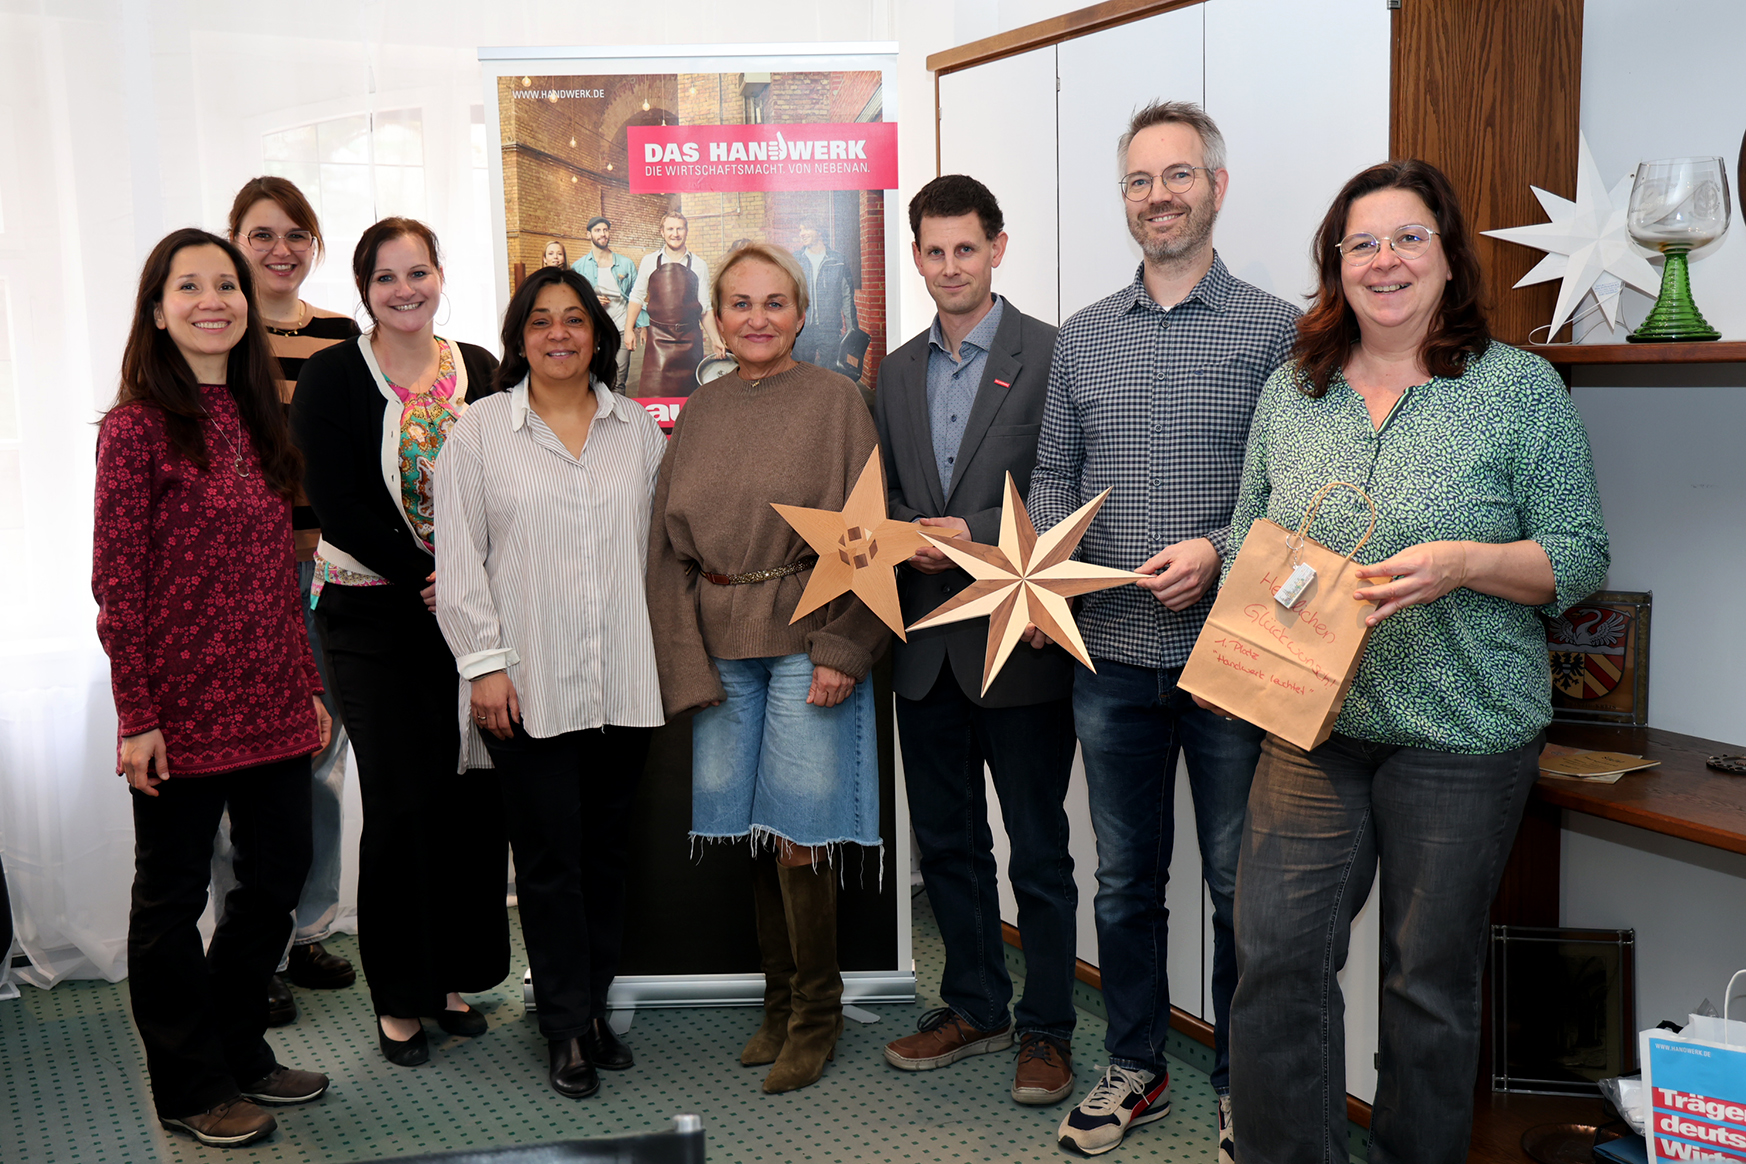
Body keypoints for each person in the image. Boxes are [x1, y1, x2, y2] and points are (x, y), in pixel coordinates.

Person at [1221, 159, 1608, 1164]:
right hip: (1312, 725)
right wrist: (1206, 559)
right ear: (1335, 265)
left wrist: (1467, 563)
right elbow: (1250, 539)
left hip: (1463, 731)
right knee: (1272, 962)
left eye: (1407, 239)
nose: (1384, 260)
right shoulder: (1290, 392)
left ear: (1447, 257)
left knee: (1425, 986)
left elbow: (1579, 555)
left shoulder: (1518, 389)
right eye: (1362, 243)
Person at [1027, 99, 1300, 1159]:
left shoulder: (1279, 329)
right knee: (1126, 880)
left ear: (1217, 188)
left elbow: (1298, 486)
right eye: (1141, 181)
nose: (1159, 196)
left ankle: (1244, 1081)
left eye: (1178, 175)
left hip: (1234, 665)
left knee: (1240, 885)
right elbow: (1054, 473)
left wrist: (1222, 551)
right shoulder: (1084, 336)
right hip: (1110, 660)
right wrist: (1047, 585)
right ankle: (1136, 1065)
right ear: (1126, 200)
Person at [95, 228, 333, 1147]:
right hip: (179, 711)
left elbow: (283, 572)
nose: (213, 301)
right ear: (158, 310)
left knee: (275, 879)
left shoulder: (259, 416)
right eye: (189, 287)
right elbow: (117, 581)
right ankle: (189, 1087)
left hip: (273, 695)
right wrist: (137, 716)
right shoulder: (135, 429)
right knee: (171, 900)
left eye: (225, 285)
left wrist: (307, 684)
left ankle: (241, 1052)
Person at [647, 242, 888, 1095]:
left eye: (774, 303)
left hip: (805, 639)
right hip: (720, 643)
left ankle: (815, 1019)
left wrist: (845, 647)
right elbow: (663, 550)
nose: (756, 318)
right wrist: (685, 660)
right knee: (752, 826)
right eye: (740, 304)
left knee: (798, 832)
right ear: (717, 316)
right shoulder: (701, 411)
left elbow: (868, 536)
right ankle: (779, 1004)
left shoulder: (837, 402)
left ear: (799, 312)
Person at [435, 266, 666, 1099]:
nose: (559, 334)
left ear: (598, 334)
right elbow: (459, 561)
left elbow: (661, 553)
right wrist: (484, 666)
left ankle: (594, 1006)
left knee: (605, 858)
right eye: (541, 321)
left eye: (575, 319)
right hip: (525, 688)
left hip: (624, 684)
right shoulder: (480, 432)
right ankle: (563, 1024)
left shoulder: (637, 430)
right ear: (519, 337)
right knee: (547, 863)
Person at [872, 175, 1079, 1107]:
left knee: (1036, 848)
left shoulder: (1055, 355)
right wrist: (903, 533)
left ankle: (1047, 1029)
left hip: (1019, 636)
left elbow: (1078, 495)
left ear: (999, 247)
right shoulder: (895, 368)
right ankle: (973, 1004)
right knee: (948, 845)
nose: (950, 266)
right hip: (923, 646)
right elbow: (882, 501)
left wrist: (986, 547)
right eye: (934, 250)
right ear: (915, 256)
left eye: (967, 247)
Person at [292, 217, 509, 1068]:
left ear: (441, 276)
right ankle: (397, 995)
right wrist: (429, 569)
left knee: (468, 799)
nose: (405, 290)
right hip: (369, 616)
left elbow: (503, 483)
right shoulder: (334, 376)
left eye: (419, 272)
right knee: (401, 801)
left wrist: (463, 578)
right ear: (365, 290)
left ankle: (450, 977)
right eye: (387, 278)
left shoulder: (481, 372)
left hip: (469, 620)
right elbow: (336, 501)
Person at [216, 175, 361, 1027]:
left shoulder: (345, 337)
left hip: (331, 569)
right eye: (263, 235)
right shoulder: (221, 336)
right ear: (236, 240)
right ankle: (252, 943)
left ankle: (308, 928)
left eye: (296, 236)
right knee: (256, 764)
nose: (281, 251)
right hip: (251, 577)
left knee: (325, 757)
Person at [623, 211, 725, 396]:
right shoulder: (649, 261)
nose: (675, 233)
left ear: (686, 231)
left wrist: (716, 339)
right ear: (662, 232)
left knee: (691, 399)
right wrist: (629, 329)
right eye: (670, 229)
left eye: (679, 228)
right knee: (654, 399)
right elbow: (637, 297)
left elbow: (705, 308)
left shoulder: (699, 265)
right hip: (658, 338)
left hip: (690, 340)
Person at [572, 216, 637, 393]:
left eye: (605, 230)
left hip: (621, 328)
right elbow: (572, 301)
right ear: (589, 234)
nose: (603, 234)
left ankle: (619, 419)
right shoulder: (578, 267)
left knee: (619, 381)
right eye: (598, 230)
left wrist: (637, 327)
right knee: (594, 379)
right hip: (594, 330)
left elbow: (636, 297)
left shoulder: (626, 264)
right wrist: (591, 300)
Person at [791, 219, 856, 372]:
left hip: (830, 329)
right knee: (800, 374)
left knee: (830, 374)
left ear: (819, 232)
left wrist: (852, 331)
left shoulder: (838, 260)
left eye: (806, 228)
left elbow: (847, 298)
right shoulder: (795, 260)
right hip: (802, 330)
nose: (802, 234)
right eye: (800, 230)